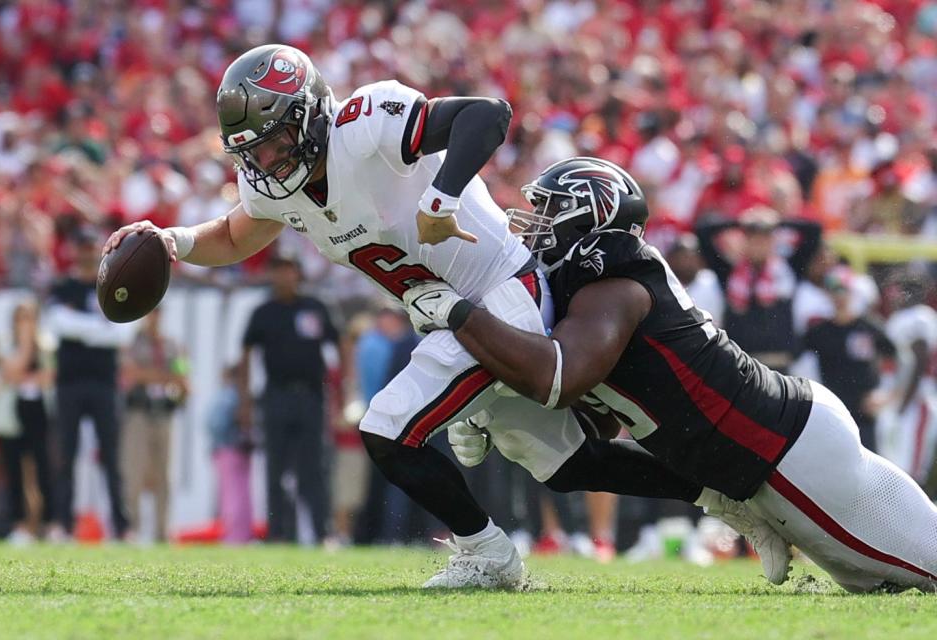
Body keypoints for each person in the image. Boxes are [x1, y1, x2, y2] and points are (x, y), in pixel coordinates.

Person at [104, 45, 752, 588]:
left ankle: (487, 554)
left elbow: (486, 116)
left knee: (388, 426)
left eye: (273, 142)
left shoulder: (364, 125)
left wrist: (441, 195)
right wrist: (174, 241)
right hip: (450, 316)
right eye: (252, 151)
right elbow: (238, 234)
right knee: (571, 465)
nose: (264, 163)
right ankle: (721, 496)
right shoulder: (276, 184)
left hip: (505, 291)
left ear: (305, 116)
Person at [403, 157, 937, 593]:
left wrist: (459, 317)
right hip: (763, 459)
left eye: (549, 210)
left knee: (924, 568)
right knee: (877, 585)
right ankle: (728, 505)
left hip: (788, 449)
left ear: (591, 218)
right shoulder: (592, 290)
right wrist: (487, 406)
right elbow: (599, 424)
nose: (533, 223)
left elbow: (557, 380)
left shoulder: (614, 289)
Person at [240, 253, 338, 543]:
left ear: (298, 273)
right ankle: (277, 533)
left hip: (310, 395)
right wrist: (244, 400)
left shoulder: (315, 307)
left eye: (289, 270)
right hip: (276, 395)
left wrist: (345, 389)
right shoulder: (264, 312)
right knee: (275, 468)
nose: (284, 277)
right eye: (278, 270)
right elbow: (246, 355)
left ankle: (323, 533)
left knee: (314, 467)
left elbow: (340, 341)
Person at [47, 227, 134, 541]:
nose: (85, 254)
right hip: (69, 383)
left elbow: (123, 333)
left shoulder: (111, 285)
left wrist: (81, 327)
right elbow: (58, 324)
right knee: (65, 456)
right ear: (74, 251)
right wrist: (99, 327)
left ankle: (122, 528)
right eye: (80, 247)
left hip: (104, 384)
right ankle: (61, 523)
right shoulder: (62, 286)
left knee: (111, 457)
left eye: (89, 247)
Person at [695, 206, 822, 372]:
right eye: (753, 238)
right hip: (741, 367)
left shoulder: (787, 270)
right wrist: (740, 221)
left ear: (773, 241)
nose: (759, 244)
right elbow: (703, 232)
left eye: (765, 238)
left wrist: (777, 221)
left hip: (781, 367)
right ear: (744, 241)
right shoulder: (729, 273)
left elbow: (815, 231)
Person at [797, 267, 896, 451]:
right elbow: (794, 359)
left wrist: (888, 395)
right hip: (833, 411)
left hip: (865, 413)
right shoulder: (819, 332)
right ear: (827, 294)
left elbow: (902, 359)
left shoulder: (869, 326)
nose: (839, 297)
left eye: (844, 290)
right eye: (835, 291)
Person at [0, 301, 58, 544]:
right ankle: (19, 524)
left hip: (38, 412)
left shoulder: (48, 345)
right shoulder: (5, 345)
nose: (25, 323)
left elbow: (49, 378)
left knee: (43, 469)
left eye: (29, 318)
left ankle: (50, 523)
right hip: (12, 413)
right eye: (21, 318)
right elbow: (12, 370)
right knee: (14, 470)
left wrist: (24, 376)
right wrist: (27, 345)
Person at [120, 307, 188, 542]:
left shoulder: (171, 344)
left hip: (163, 412)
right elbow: (131, 373)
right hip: (139, 411)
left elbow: (183, 375)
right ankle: (133, 529)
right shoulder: (133, 342)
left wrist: (160, 377)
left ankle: (162, 531)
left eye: (158, 313)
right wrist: (164, 376)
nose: (154, 318)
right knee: (134, 472)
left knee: (164, 475)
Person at [876, 272, 937, 486]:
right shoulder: (898, 318)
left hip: (916, 399)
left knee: (911, 469)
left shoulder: (920, 316)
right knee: (893, 463)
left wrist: (903, 402)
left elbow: (919, 360)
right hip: (898, 397)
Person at [207, 364, 253, 545]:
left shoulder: (225, 396)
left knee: (231, 496)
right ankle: (242, 535)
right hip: (241, 450)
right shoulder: (242, 396)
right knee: (243, 496)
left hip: (227, 450)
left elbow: (213, 424)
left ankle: (234, 536)